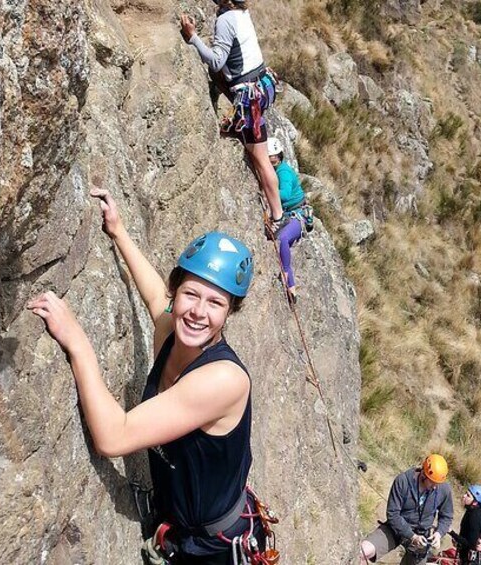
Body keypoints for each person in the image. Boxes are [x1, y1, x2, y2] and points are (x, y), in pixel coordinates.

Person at [28, 189, 269, 564]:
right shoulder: (171, 331)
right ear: (177, 291)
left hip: (213, 548)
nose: (198, 313)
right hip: (182, 525)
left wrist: (78, 343)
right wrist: (119, 231)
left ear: (230, 312)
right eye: (191, 294)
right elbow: (156, 297)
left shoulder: (224, 379)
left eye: (215, 303)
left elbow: (113, 437)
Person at [179, 0, 284, 234]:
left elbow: (217, 61)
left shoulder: (226, 20)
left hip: (249, 96)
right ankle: (240, 128)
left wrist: (192, 37)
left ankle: (278, 215)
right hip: (261, 85)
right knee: (258, 151)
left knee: (260, 159)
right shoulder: (241, 13)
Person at [360, 454, 454, 565]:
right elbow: (393, 514)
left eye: (437, 484)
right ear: (424, 474)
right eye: (432, 482)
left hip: (422, 538)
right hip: (396, 530)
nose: (435, 487)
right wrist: (412, 536)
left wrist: (439, 533)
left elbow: (446, 516)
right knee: (363, 551)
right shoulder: (403, 481)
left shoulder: (443, 489)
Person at [267, 137, 309, 304]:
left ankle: (285, 275)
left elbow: (284, 195)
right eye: (271, 158)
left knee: (283, 239)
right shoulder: (278, 169)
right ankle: (291, 287)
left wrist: (267, 189)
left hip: (298, 215)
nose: (273, 160)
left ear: (279, 156)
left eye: (274, 158)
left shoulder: (283, 172)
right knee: (281, 241)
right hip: (290, 214)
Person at [452, 485, 481, 564]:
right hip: (466, 556)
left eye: (468, 495)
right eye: (465, 493)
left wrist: (452, 533)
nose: (464, 496)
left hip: (469, 560)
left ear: (475, 502)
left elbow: (470, 544)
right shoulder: (472, 511)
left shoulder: (475, 517)